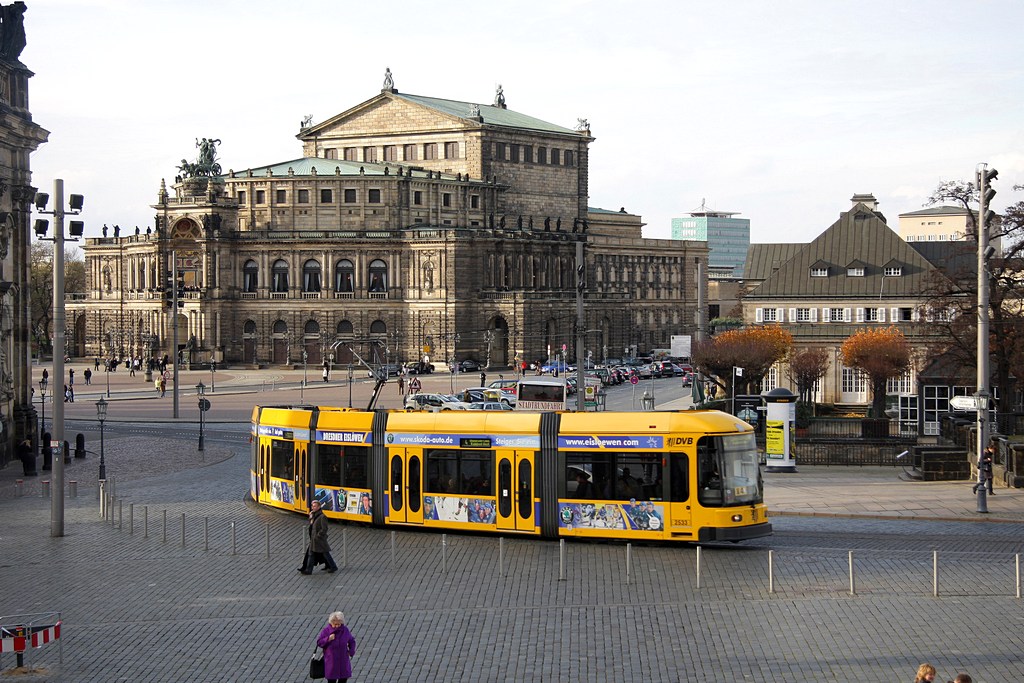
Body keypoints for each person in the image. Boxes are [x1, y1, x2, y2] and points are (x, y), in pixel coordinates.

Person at [315, 611, 356, 683]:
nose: (337, 626)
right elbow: (319, 642)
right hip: (331, 662)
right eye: (335, 624)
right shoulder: (326, 631)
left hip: (343, 661)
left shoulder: (345, 630)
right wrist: (328, 639)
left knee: (343, 680)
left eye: (339, 624)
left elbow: (352, 641)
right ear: (331, 623)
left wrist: (351, 651)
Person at [299, 500, 338, 574]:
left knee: (324, 553)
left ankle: (333, 567)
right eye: (312, 506)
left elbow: (324, 529)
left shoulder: (322, 517)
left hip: (319, 540)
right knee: (312, 554)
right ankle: (309, 570)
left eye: (315, 506)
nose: (313, 508)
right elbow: (311, 525)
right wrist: (310, 517)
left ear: (319, 507)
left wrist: (318, 536)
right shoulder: (314, 515)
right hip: (314, 539)